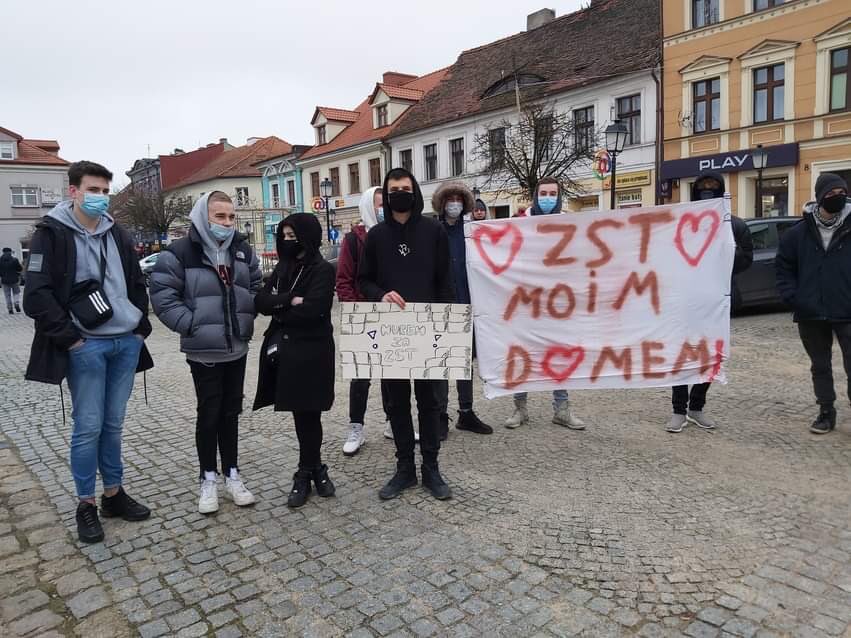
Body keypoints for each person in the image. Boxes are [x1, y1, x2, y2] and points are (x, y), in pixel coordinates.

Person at [23, 161, 153, 544]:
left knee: (113, 425)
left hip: (125, 342)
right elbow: (36, 295)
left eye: (104, 191)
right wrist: (71, 339)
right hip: (85, 346)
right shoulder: (51, 234)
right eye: (92, 190)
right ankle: (85, 504)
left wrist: (140, 327)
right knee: (88, 427)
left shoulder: (118, 232)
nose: (100, 197)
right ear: (73, 191)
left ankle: (113, 494)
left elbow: (135, 279)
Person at [150, 191, 261, 514]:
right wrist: (192, 325)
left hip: (236, 347)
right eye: (219, 217)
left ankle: (232, 473)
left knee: (231, 414)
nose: (227, 223)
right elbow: (163, 296)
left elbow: (254, 286)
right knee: (209, 414)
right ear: (203, 216)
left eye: (231, 217)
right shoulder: (179, 253)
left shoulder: (242, 251)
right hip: (204, 351)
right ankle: (207, 478)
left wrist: (246, 315)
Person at [359, 167, 455, 501]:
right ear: (386, 195)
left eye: (404, 187)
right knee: (396, 403)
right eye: (393, 188)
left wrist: (445, 325)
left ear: (413, 190)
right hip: (391, 331)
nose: (400, 192)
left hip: (427, 329)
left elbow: (446, 280)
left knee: (429, 403)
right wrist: (379, 295)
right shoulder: (376, 236)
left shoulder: (433, 231)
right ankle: (404, 469)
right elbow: (364, 280)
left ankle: (431, 468)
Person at [254, 213, 337, 507]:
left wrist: (280, 307)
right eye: (285, 236)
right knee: (300, 414)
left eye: (294, 236)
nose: (289, 241)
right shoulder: (282, 268)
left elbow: (314, 309)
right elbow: (261, 302)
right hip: (288, 351)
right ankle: (312, 470)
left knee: (310, 411)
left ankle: (307, 471)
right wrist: (290, 299)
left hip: (313, 351)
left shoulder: (322, 270)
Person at [667, 171, 753, 433]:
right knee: (681, 355)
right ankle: (678, 410)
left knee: (711, 354)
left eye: (713, 187)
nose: (707, 190)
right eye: (703, 187)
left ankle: (697, 406)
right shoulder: (681, 222)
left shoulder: (734, 225)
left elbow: (746, 258)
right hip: (685, 301)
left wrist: (726, 254)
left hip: (716, 303)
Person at [504, 176, 586, 430]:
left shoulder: (569, 223)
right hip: (528, 301)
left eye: (553, 193)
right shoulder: (521, 223)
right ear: (535, 195)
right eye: (543, 193)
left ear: (559, 196)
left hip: (559, 303)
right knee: (524, 354)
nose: (548, 198)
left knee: (560, 353)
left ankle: (561, 408)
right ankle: (520, 408)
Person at [776, 173, 851, 435]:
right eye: (831, 194)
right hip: (810, 311)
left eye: (841, 192)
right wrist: (793, 297)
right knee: (820, 365)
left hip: (847, 310)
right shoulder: (798, 233)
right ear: (820, 197)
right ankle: (826, 411)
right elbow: (784, 268)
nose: (837, 197)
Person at [335, 186, 394, 455]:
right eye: (380, 204)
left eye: (387, 204)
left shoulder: (394, 234)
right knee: (361, 376)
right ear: (370, 206)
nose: (384, 209)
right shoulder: (354, 239)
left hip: (391, 314)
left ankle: (393, 422)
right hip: (363, 315)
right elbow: (344, 280)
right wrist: (355, 311)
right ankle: (355, 427)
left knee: (392, 373)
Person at [432, 182, 493, 438]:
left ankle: (466, 412)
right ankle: (440, 416)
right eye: (450, 199)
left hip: (468, 302)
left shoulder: (472, 231)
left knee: (465, 363)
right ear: (442, 203)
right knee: (444, 363)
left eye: (459, 199)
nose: (454, 203)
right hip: (442, 305)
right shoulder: (433, 231)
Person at [0, 247, 23, 313]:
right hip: (14, 280)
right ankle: (16, 303)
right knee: (16, 292)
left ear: (3, 252)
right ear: (10, 252)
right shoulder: (15, 260)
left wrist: (2, 275)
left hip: (4, 281)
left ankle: (10, 308)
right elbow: (20, 269)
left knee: (7, 295)